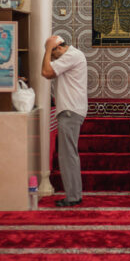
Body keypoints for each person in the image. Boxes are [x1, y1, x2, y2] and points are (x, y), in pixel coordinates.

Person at [42, 35, 88, 207]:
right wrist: (49, 50)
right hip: (71, 110)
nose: (51, 58)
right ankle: (74, 194)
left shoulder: (71, 55)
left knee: (67, 155)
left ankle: (73, 197)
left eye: (53, 54)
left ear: (58, 48)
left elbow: (46, 72)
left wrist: (48, 49)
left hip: (70, 111)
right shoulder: (73, 55)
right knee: (69, 154)